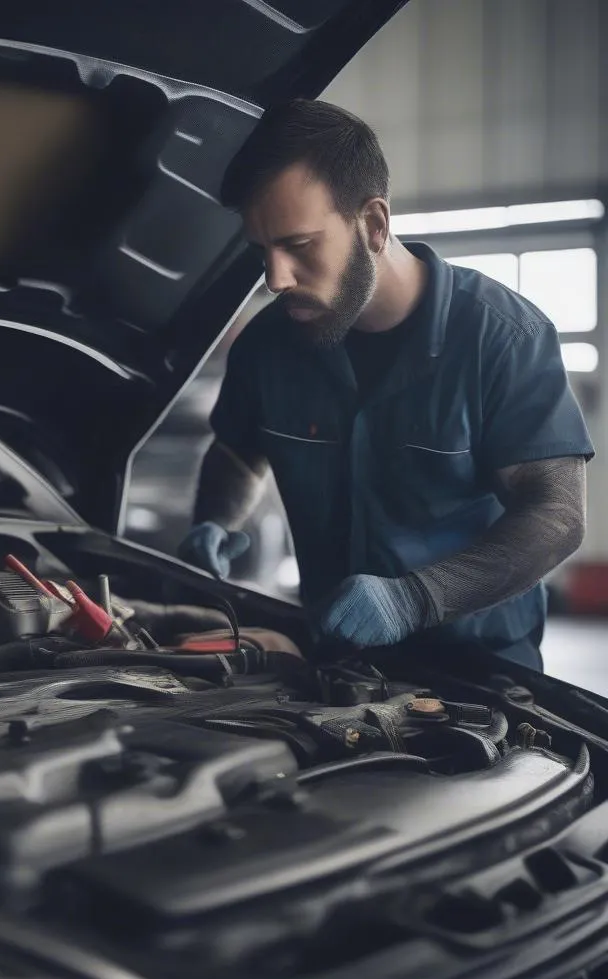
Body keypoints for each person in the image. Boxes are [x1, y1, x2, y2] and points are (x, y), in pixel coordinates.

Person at [179, 99, 593, 671]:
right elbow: (238, 452)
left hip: (482, 673)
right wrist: (216, 521)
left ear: (374, 224)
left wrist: (416, 598)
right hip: (336, 658)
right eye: (262, 251)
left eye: (299, 246)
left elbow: (556, 514)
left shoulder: (502, 339)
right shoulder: (266, 346)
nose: (276, 278)